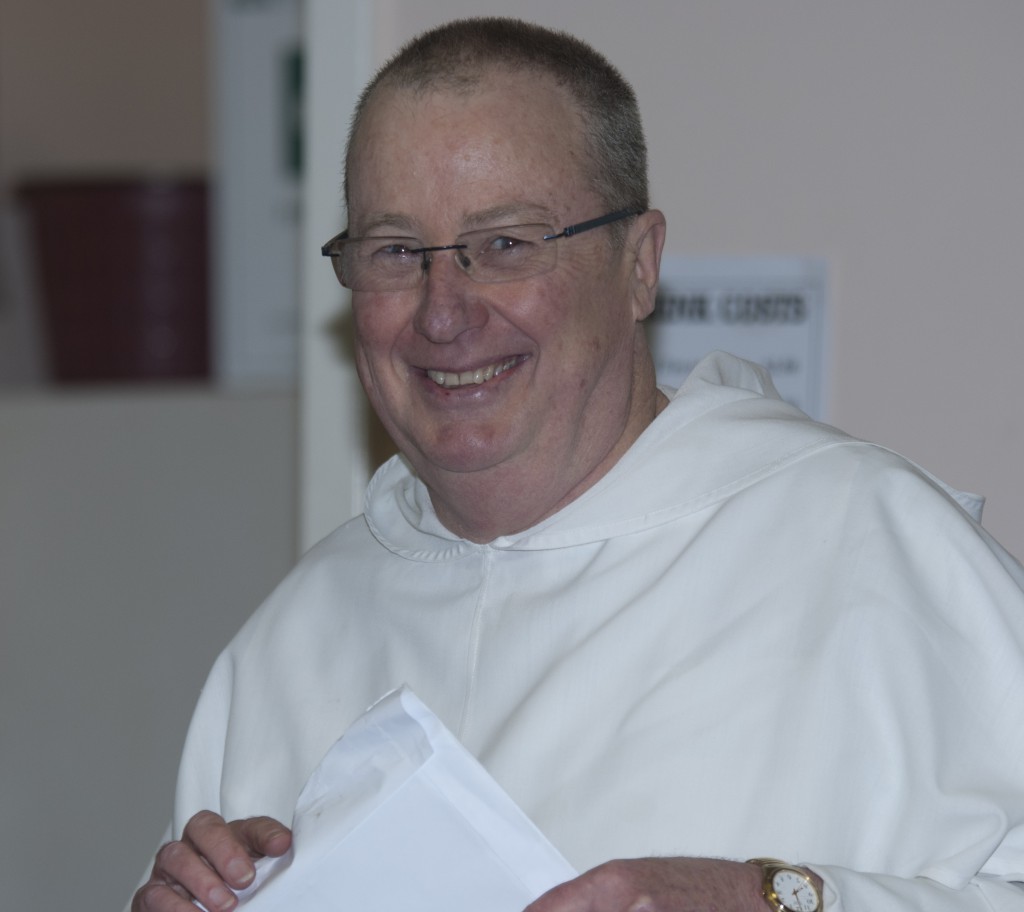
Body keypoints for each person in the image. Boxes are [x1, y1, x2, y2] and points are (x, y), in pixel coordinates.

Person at [130, 17, 1024, 912]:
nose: (444, 314)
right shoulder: (287, 645)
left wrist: (772, 900)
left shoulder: (869, 553)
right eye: (397, 252)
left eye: (507, 244)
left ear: (639, 266)